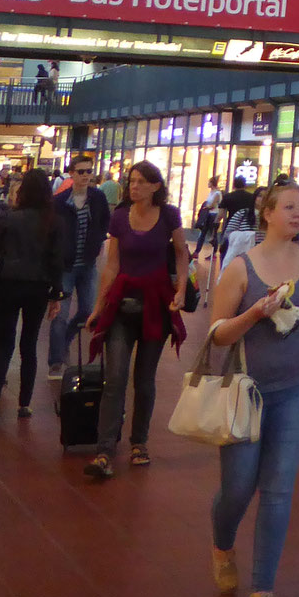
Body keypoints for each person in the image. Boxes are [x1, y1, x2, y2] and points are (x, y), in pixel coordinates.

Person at [207, 181, 299, 597]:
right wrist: (254, 313)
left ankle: (263, 590)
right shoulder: (242, 267)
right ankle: (222, 543)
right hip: (246, 388)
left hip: (294, 388)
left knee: (278, 489)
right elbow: (217, 333)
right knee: (238, 488)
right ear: (268, 214)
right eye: (290, 207)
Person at [85, 160, 188, 480]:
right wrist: (98, 306)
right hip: (122, 303)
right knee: (115, 377)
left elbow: (182, 254)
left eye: (142, 181)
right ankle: (104, 449)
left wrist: (181, 289)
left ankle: (139, 442)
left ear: (156, 186)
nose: (134, 186)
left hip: (156, 303)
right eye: (131, 181)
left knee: (144, 379)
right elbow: (112, 264)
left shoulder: (169, 215)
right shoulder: (119, 217)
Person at [0, 167, 63, 422]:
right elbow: (57, 260)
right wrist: (56, 294)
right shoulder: (53, 221)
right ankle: (24, 402)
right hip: (37, 286)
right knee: (29, 343)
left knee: (4, 339)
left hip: (8, 282)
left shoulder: (11, 218)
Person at [46, 155, 111, 379]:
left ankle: (65, 340)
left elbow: (104, 222)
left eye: (88, 171)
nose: (85, 176)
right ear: (71, 173)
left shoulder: (98, 198)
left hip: (88, 264)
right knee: (59, 315)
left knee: (87, 310)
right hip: (66, 266)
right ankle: (56, 361)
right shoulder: (60, 202)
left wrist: (99, 240)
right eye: (81, 171)